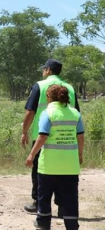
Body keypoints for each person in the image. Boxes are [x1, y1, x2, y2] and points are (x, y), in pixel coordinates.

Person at [21, 59, 80, 213]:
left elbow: (30, 111)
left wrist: (24, 132)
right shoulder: (70, 88)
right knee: (64, 171)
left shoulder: (40, 85)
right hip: (67, 137)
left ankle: (38, 203)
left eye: (44, 69)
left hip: (42, 135)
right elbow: (77, 113)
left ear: (47, 70)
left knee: (40, 171)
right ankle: (62, 206)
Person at [25, 84, 84, 230]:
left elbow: (43, 136)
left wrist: (31, 155)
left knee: (44, 195)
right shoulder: (75, 113)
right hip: (70, 165)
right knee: (70, 197)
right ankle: (71, 227)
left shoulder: (48, 113)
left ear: (49, 97)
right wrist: (80, 155)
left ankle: (43, 223)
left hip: (49, 165)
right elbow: (80, 136)